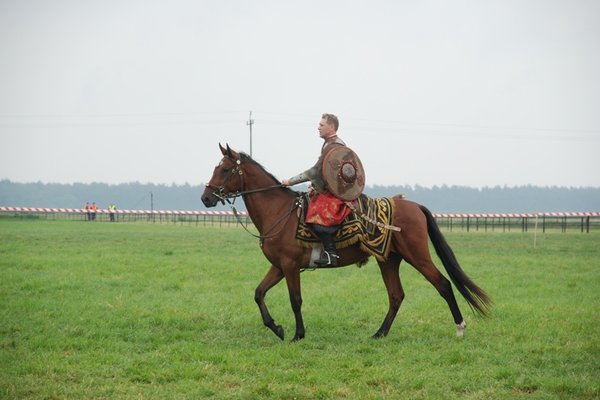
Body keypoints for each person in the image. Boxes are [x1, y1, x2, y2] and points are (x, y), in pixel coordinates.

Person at [282, 113, 352, 266]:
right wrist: (314, 186)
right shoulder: (329, 143)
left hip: (336, 195)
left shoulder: (334, 146)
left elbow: (314, 172)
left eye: (321, 125)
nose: (318, 127)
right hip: (329, 191)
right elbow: (325, 173)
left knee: (317, 216)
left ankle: (331, 255)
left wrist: (290, 181)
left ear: (331, 127)